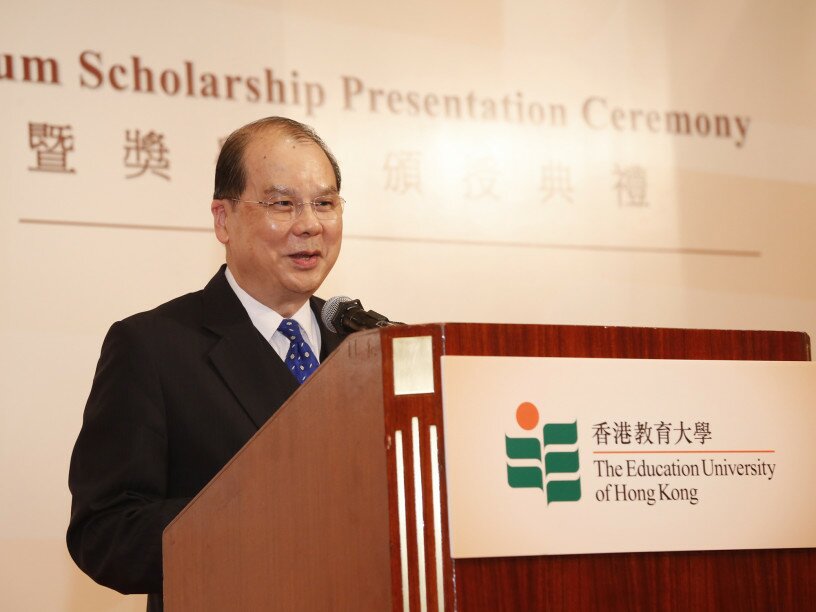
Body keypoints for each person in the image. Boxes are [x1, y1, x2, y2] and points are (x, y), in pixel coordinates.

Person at [67, 116, 346, 612]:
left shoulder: (365, 343)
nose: (310, 224)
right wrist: (257, 524)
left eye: (324, 203)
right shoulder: (152, 347)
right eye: (282, 203)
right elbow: (105, 532)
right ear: (223, 220)